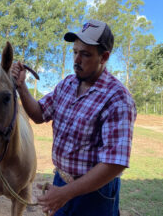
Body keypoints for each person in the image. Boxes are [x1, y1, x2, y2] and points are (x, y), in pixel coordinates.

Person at [11, 19, 137, 216]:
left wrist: (64, 194)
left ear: (104, 57)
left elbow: (115, 163)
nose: (77, 60)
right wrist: (21, 86)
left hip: (95, 193)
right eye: (75, 52)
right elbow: (38, 114)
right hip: (61, 182)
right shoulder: (67, 85)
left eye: (85, 54)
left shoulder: (117, 98)